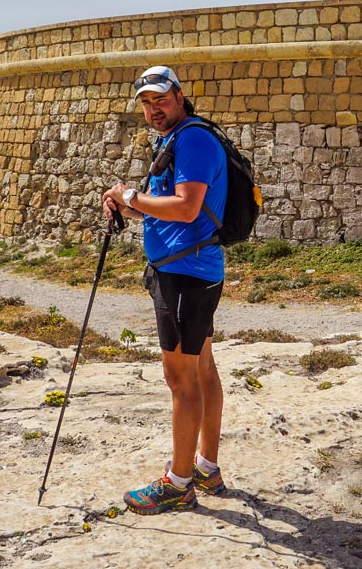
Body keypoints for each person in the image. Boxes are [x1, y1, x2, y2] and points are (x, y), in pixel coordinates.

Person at [102, 65, 228, 515]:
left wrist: (130, 197)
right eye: (146, 103)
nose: (154, 109)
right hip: (193, 270)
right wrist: (127, 205)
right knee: (204, 369)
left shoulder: (191, 139)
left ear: (179, 96)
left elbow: (187, 206)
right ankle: (207, 468)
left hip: (184, 277)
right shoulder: (178, 138)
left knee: (181, 379)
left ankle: (178, 483)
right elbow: (168, 212)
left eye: (161, 99)